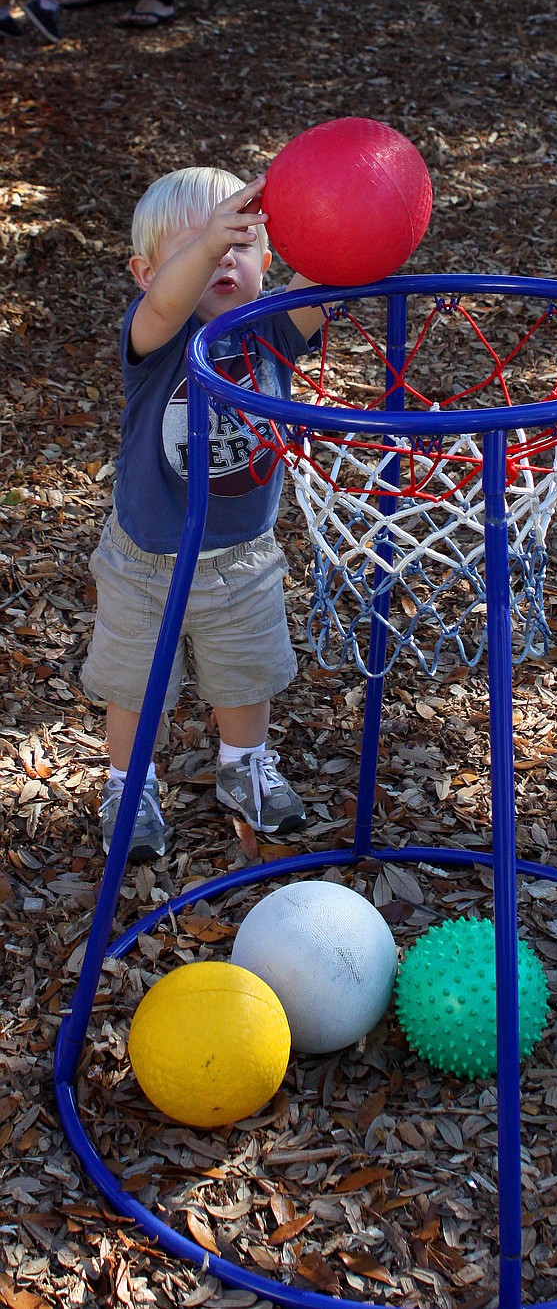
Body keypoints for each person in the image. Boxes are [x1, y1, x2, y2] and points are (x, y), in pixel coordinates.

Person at [80, 166, 325, 861]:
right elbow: (166, 304)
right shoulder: (156, 338)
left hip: (243, 555)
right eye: (197, 247)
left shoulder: (273, 328)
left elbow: (332, 276)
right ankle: (130, 784)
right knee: (135, 685)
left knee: (244, 675)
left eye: (240, 243)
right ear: (146, 272)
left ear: (265, 261)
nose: (222, 257)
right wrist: (207, 246)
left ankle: (243, 768)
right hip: (145, 556)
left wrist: (363, 215)